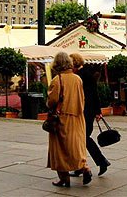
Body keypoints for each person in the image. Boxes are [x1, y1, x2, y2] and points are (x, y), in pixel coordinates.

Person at [47, 52, 91, 188]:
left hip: (62, 118)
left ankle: (64, 178)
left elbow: (52, 101)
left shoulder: (57, 79)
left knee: (60, 149)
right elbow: (82, 98)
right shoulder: (77, 78)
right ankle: (84, 168)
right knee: (76, 146)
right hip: (78, 116)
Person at [69, 53, 111, 178]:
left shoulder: (79, 76)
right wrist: (98, 111)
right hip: (90, 111)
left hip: (83, 111)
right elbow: (95, 94)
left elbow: (87, 95)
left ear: (74, 63)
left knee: (83, 138)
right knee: (82, 139)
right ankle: (82, 166)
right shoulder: (88, 73)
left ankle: (99, 162)